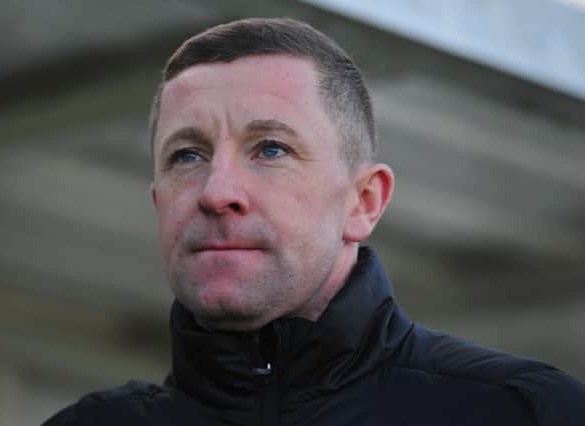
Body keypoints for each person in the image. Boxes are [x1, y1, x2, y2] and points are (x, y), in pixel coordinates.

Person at [44, 17, 585, 426]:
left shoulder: (522, 412)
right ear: (159, 202)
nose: (217, 192)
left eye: (271, 149)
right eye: (187, 155)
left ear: (363, 202)